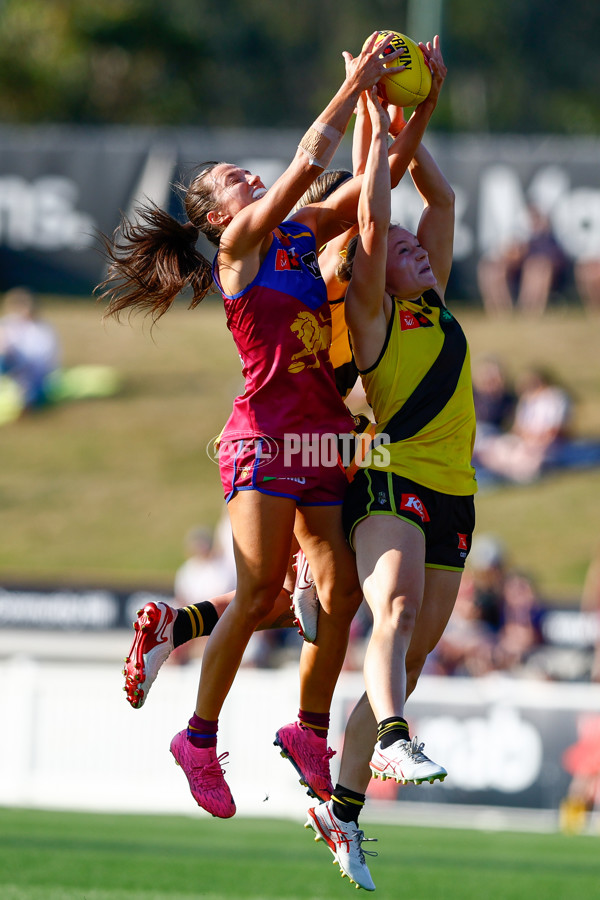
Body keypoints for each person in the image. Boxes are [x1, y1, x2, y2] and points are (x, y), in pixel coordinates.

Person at [99, 32, 445, 831]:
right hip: (263, 440)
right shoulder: (240, 246)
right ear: (219, 213)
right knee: (261, 592)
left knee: (338, 595)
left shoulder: (294, 233)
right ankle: (198, 738)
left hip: (323, 435)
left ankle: (308, 730)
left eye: (241, 170)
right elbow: (302, 165)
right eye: (230, 180)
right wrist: (351, 87)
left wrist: (408, 111)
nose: (244, 175)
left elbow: (375, 186)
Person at [304, 44, 476, 889]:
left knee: (403, 660)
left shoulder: (434, 297)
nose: (413, 243)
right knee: (396, 612)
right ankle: (398, 740)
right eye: (399, 247)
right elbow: (374, 223)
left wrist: (423, 108)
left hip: (457, 495)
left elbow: (437, 194)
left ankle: (341, 812)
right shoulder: (370, 318)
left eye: (419, 247)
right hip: (390, 476)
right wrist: (374, 118)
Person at [477, 202, 568, 316]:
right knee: (490, 269)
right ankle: (500, 311)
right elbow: (509, 255)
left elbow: (553, 259)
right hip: (517, 271)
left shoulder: (547, 238)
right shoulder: (518, 234)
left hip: (539, 271)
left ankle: (529, 311)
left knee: (536, 269)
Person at [0, 287, 61, 411]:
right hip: (8, 368)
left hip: (32, 375)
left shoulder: (42, 330)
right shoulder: (7, 324)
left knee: (29, 395)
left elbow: (44, 362)